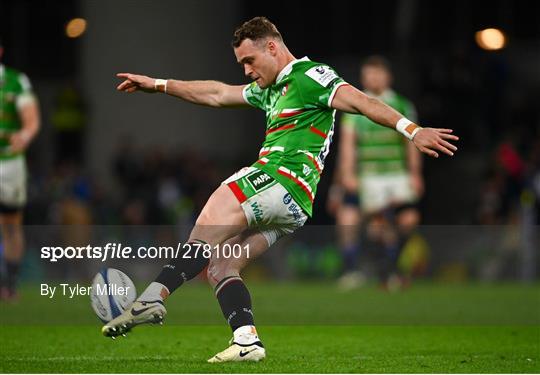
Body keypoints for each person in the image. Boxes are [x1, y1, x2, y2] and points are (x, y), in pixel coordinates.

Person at [103, 17, 458, 362]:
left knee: (207, 224)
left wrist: (412, 130)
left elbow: (362, 102)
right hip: (295, 206)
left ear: (272, 47)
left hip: (278, 178)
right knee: (223, 266)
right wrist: (160, 84)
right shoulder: (268, 89)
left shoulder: (310, 76)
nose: (246, 71)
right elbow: (216, 93)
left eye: (249, 61)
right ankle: (246, 341)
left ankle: (152, 297)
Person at [328, 56, 423, 290]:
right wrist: (346, 175)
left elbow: (412, 141)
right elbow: (347, 146)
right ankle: (374, 272)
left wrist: (415, 174)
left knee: (408, 220)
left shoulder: (402, 104)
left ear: (387, 77)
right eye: (369, 74)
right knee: (374, 225)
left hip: (396, 174)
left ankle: (391, 269)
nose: (373, 78)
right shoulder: (354, 107)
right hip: (369, 176)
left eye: (377, 73)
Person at [0, 37, 41, 301]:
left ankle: (10, 284)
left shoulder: (16, 81)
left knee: (11, 225)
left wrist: (25, 135)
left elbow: (31, 119)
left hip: (8, 161)